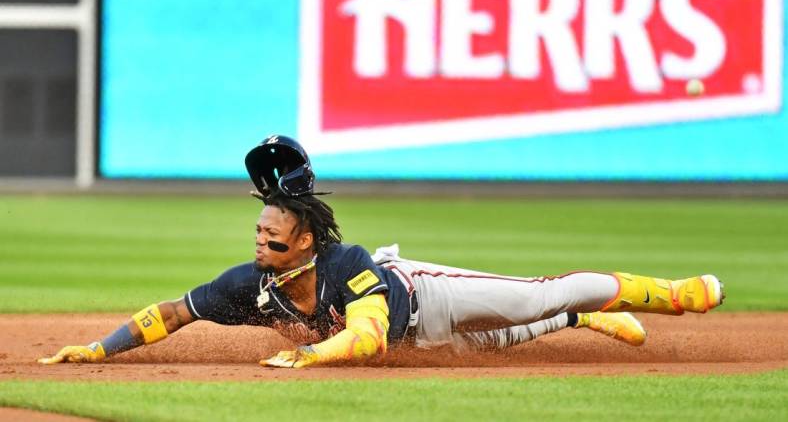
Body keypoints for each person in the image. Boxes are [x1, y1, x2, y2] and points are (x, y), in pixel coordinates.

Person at [39, 137, 724, 368]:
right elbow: (171, 314)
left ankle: (671, 294)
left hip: (427, 294)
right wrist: (99, 349)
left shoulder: (347, 265)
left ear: (305, 241)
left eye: (272, 232)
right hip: (422, 339)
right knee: (500, 342)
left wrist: (309, 354)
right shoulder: (251, 285)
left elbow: (367, 339)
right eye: (258, 231)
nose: (259, 239)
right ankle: (584, 321)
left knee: (538, 296)